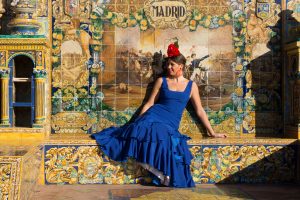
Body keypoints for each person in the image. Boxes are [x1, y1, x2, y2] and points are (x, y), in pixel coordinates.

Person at [90, 43, 227, 188]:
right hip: (153, 116)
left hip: (170, 123)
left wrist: (212, 132)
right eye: (167, 64)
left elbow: (199, 110)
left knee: (166, 137)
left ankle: (163, 174)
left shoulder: (191, 86)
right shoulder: (161, 81)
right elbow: (149, 103)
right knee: (150, 130)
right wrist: (137, 121)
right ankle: (159, 173)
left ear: (181, 66)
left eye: (172, 65)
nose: (168, 67)